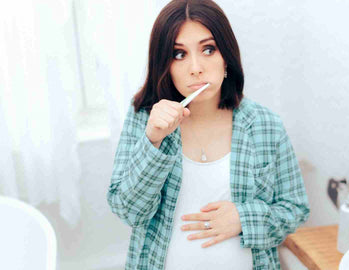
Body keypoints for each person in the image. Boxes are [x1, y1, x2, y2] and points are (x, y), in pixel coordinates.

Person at [106, 0, 310, 269]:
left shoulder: (265, 124)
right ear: (164, 65)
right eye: (179, 54)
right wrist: (152, 141)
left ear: (226, 57)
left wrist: (243, 218)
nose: (195, 67)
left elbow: (295, 209)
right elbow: (128, 211)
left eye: (208, 49)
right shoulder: (144, 118)